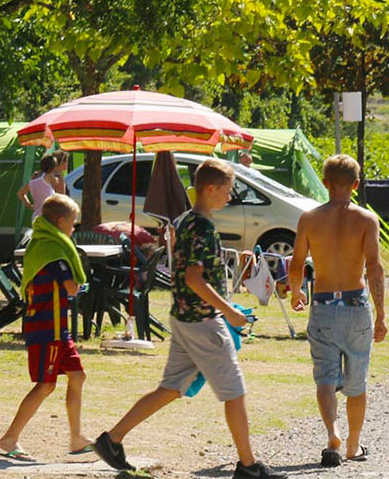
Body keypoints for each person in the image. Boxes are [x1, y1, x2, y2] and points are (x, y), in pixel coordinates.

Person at [93, 158, 285, 479]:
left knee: (170, 388)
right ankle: (249, 466)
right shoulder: (202, 228)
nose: (229, 196)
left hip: (183, 317)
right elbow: (196, 279)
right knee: (234, 391)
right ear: (210, 189)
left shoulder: (185, 221)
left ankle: (112, 439)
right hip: (203, 322)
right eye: (226, 191)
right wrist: (230, 312)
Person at [289, 154, 387, 468]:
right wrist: (381, 313)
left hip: (323, 303)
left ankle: (333, 433)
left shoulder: (309, 218)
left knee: (326, 378)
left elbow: (296, 264)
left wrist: (294, 293)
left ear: (326, 183)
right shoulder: (367, 219)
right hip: (356, 304)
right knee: (357, 383)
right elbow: (375, 268)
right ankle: (353, 445)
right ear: (356, 185)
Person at [0, 194, 91, 462]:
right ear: (61, 223)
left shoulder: (46, 245)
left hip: (59, 330)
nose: (74, 229)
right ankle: (9, 438)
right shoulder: (53, 252)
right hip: (47, 330)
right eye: (72, 224)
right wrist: (83, 284)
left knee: (77, 376)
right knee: (45, 385)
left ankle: (76, 438)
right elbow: (71, 287)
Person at [18, 151, 69, 220]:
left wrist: (29, 205)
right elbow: (62, 197)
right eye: (66, 161)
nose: (67, 164)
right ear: (60, 163)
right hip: (49, 217)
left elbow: (20, 193)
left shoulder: (36, 176)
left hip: (36, 216)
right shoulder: (55, 178)